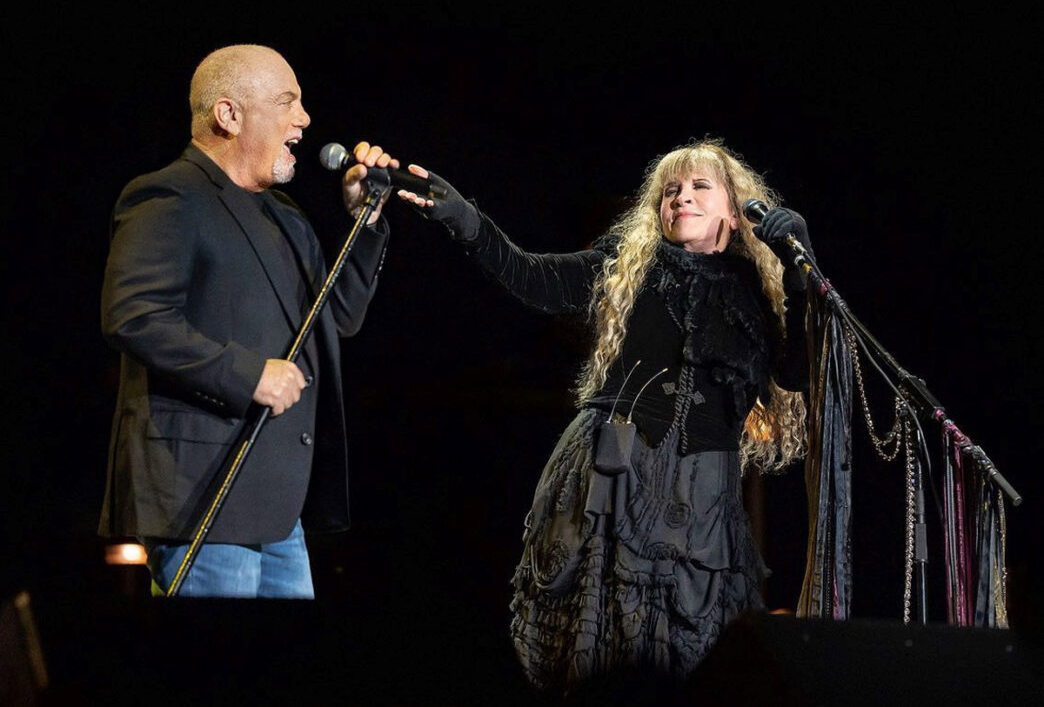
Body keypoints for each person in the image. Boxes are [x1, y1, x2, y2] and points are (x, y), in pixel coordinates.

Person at [396, 139, 813, 694]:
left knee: (696, 657)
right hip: (615, 478)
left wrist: (800, 271)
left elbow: (796, 373)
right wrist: (466, 220)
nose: (681, 197)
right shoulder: (627, 267)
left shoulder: (756, 295)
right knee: (605, 650)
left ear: (736, 214)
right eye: (670, 191)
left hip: (703, 500)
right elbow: (530, 275)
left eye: (699, 186)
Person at [99, 44, 397, 598]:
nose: (304, 119)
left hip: (276, 504)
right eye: (287, 102)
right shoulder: (169, 195)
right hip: (202, 493)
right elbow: (134, 316)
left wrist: (365, 222)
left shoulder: (285, 216)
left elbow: (337, 319)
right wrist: (249, 374)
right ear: (229, 115)